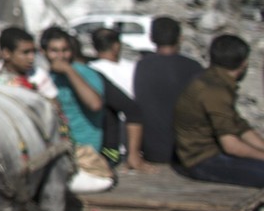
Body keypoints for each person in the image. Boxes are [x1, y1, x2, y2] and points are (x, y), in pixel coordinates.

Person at [173, 34, 264, 188]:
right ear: (244, 63)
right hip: (201, 161)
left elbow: (240, 127)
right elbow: (231, 146)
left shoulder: (212, 80)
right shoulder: (215, 91)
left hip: (208, 155)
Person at [40, 27, 115, 194]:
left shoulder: (84, 73)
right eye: (54, 51)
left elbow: (95, 104)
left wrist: (68, 70)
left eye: (65, 50)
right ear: (43, 52)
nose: (60, 56)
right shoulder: (43, 77)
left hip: (83, 155)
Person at [131, 16, 203, 165]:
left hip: (153, 151)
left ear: (151, 38)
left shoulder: (142, 66)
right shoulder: (194, 67)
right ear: (180, 38)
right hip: (189, 151)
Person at [88, 28, 151, 172]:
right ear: (116, 46)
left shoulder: (89, 72)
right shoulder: (134, 69)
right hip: (133, 145)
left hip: (104, 145)